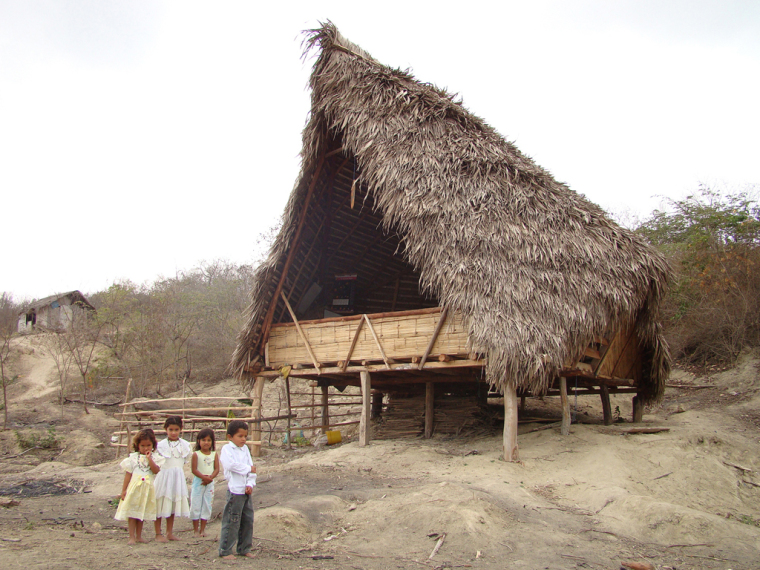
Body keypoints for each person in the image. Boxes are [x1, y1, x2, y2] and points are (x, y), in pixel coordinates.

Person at [115, 429, 163, 545]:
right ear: (137, 445)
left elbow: (155, 470)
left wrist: (149, 459)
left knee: (140, 513)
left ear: (153, 445)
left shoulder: (155, 458)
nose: (146, 448)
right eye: (142, 445)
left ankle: (139, 536)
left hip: (146, 489)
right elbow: (128, 475)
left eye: (148, 445)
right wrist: (123, 491)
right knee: (132, 513)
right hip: (134, 489)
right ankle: (131, 536)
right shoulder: (133, 458)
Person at [218, 420, 257, 559]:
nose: (243, 439)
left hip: (246, 491)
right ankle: (225, 549)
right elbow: (230, 465)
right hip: (235, 491)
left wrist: (250, 483)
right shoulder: (227, 450)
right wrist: (248, 469)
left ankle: (244, 548)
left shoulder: (245, 449)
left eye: (245, 436)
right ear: (230, 437)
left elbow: (252, 468)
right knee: (232, 520)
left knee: (247, 520)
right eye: (240, 436)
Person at [153, 416, 191, 542]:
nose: (173, 432)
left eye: (176, 429)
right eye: (171, 429)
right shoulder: (160, 445)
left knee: (173, 503)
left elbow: (184, 461)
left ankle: (169, 532)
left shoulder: (185, 445)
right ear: (165, 429)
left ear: (181, 429)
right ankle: (158, 533)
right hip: (164, 477)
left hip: (177, 477)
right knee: (160, 503)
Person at [190, 427, 220, 537]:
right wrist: (203, 477)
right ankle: (195, 530)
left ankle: (203, 529)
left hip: (210, 482)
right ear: (199, 441)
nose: (206, 443)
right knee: (196, 504)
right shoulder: (196, 454)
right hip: (199, 482)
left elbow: (217, 469)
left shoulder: (214, 454)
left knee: (207, 504)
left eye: (208, 440)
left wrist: (210, 478)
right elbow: (194, 469)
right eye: (203, 440)